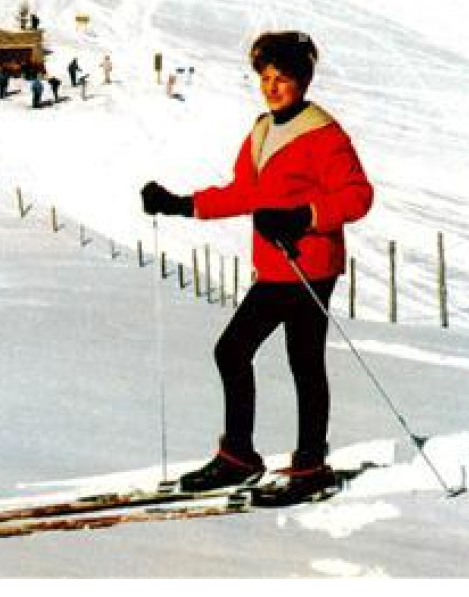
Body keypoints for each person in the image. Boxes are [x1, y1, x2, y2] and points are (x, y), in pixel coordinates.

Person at [140, 31, 373, 496]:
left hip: (309, 266)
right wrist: (180, 204)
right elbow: (244, 192)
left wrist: (306, 216)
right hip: (273, 268)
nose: (271, 87)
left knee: (302, 363)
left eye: (282, 78)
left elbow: (357, 196)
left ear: (302, 81)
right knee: (234, 350)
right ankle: (239, 456)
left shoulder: (323, 133)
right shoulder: (263, 130)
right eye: (265, 78)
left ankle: (310, 466)